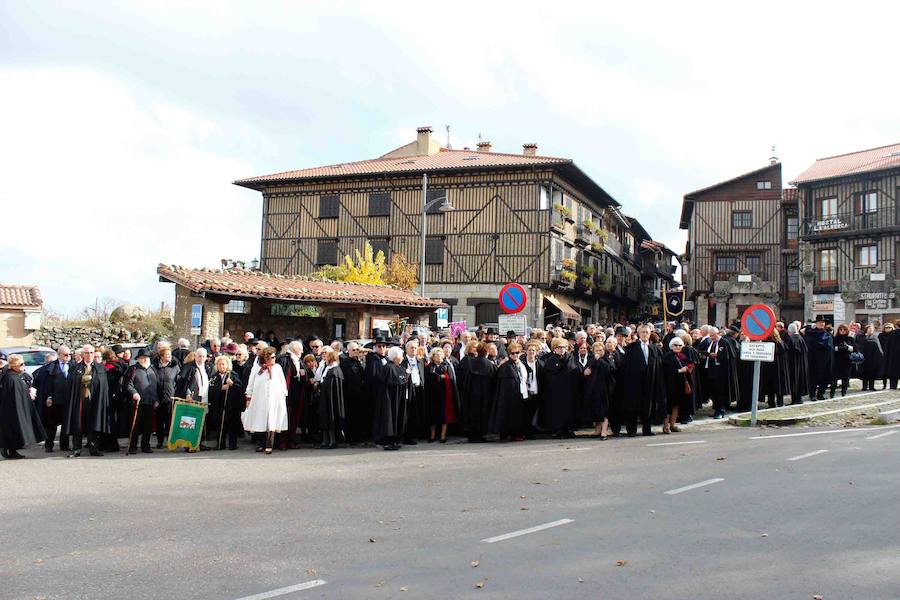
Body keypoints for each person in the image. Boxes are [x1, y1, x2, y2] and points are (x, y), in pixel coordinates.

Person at [63, 345, 111, 457]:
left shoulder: (100, 368)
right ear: (83, 354)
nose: (89, 355)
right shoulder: (75, 368)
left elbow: (103, 387)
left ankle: (93, 448)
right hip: (79, 401)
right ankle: (76, 448)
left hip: (94, 401)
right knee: (77, 424)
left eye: (91, 353)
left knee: (93, 424)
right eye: (87, 353)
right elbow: (70, 386)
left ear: (94, 354)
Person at [621, 324, 666, 435]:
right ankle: (631, 430)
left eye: (647, 332)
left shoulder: (655, 349)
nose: (645, 334)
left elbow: (659, 367)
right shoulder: (631, 348)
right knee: (633, 406)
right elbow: (626, 367)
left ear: (650, 334)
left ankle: (647, 429)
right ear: (638, 334)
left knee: (648, 406)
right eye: (643, 332)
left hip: (650, 382)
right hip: (634, 382)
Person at [243, 346, 288, 454]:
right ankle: (260, 443)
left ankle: (269, 444)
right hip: (260, 398)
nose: (274, 359)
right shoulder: (257, 368)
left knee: (271, 420)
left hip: (274, 398)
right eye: (271, 357)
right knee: (260, 420)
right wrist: (248, 395)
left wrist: (283, 394)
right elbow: (251, 382)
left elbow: (282, 382)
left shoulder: (277, 368)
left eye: (274, 357)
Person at [0, 355, 45, 459]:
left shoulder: (12, 376)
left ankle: (11, 450)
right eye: (21, 364)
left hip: (15, 410)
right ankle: (9, 450)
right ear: (15, 366)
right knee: (13, 430)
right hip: (13, 411)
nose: (23, 366)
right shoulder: (11, 378)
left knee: (13, 431)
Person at [539, 337, 579, 437]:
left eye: (564, 347)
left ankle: (568, 428)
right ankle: (558, 429)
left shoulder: (570, 358)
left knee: (569, 410)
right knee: (557, 410)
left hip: (568, 389)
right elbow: (548, 377)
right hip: (556, 391)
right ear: (554, 349)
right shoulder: (550, 360)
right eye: (559, 347)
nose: (562, 349)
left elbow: (573, 371)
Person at [37, 345, 74, 453]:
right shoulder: (51, 367)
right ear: (59, 355)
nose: (68, 357)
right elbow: (46, 385)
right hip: (54, 400)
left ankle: (64, 445)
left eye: (69, 355)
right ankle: (49, 445)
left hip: (68, 400)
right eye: (65, 355)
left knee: (66, 424)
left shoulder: (73, 366)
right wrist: (49, 396)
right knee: (51, 425)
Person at [459, 342, 497, 443]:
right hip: (486, 395)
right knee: (483, 414)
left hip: (472, 394)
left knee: (473, 414)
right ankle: (482, 435)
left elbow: (466, 379)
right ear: (486, 352)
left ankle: (473, 435)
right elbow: (494, 381)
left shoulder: (470, 363)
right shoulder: (490, 365)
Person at [489, 343, 527, 441]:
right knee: (505, 415)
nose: (515, 355)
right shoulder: (506, 366)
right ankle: (505, 434)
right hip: (507, 396)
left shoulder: (520, 364)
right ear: (509, 354)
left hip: (517, 394)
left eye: (517, 353)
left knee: (515, 415)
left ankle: (514, 434)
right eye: (512, 353)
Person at [124, 349, 160, 454]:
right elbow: (128, 385)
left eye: (146, 358)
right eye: (142, 358)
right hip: (137, 402)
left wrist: (156, 399)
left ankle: (146, 445)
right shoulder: (133, 369)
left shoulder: (152, 369)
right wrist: (134, 393)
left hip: (150, 401)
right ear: (138, 359)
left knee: (148, 425)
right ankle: (133, 446)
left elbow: (157, 385)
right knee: (135, 425)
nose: (144, 359)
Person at [374, 345, 409, 451]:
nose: (403, 358)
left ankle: (395, 440)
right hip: (389, 400)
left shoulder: (401, 368)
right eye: (401, 356)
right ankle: (388, 441)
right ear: (396, 357)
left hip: (399, 399)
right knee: (389, 419)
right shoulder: (388, 368)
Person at [424, 348, 460, 443]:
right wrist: (439, 377)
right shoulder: (429, 367)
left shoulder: (446, 366)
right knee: (432, 416)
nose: (439, 356)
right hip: (432, 394)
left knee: (444, 415)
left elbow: (450, 379)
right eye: (437, 355)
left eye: (440, 355)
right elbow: (427, 379)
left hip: (444, 395)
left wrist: (441, 378)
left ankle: (443, 435)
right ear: (433, 356)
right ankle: (432, 435)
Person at [207, 355, 243, 450]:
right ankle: (220, 444)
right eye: (219, 364)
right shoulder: (214, 377)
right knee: (220, 425)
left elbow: (240, 388)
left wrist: (232, 384)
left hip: (231, 405)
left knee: (232, 425)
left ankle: (232, 444)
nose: (221, 366)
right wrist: (220, 388)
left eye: (223, 364)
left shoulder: (233, 375)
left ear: (227, 365)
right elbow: (210, 390)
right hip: (219, 405)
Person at [661, 337, 695, 433]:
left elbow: (689, 363)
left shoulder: (682, 356)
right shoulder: (668, 356)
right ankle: (666, 426)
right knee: (669, 405)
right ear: (671, 346)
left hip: (680, 383)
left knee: (677, 405)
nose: (678, 347)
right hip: (670, 384)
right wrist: (679, 370)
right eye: (676, 345)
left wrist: (689, 367)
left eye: (680, 345)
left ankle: (673, 424)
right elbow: (666, 370)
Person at [277, 341, 306, 449]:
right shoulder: (284, 359)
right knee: (285, 417)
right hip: (286, 394)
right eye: (300, 349)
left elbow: (303, 375)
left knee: (294, 416)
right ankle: (282, 441)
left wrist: (304, 375)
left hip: (297, 393)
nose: (302, 351)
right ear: (295, 349)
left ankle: (291, 440)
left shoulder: (299, 361)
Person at [152, 343, 180, 448]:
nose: (169, 357)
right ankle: (159, 441)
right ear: (161, 356)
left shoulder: (175, 367)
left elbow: (178, 382)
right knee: (159, 421)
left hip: (170, 398)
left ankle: (170, 441)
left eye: (170, 355)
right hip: (158, 398)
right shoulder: (155, 367)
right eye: (167, 355)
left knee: (170, 421)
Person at [340, 342, 368, 444]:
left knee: (358, 416)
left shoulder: (359, 362)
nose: (356, 352)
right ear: (348, 351)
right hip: (349, 393)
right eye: (353, 350)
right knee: (350, 416)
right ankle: (350, 438)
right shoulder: (344, 362)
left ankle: (358, 436)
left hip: (359, 393)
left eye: (357, 350)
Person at [318, 348, 345, 449]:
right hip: (325, 398)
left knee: (331, 418)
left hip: (331, 400)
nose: (324, 355)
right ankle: (325, 440)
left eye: (326, 353)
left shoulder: (335, 370)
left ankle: (332, 440)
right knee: (325, 418)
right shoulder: (327, 368)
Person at [402, 339, 426, 443]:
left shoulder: (420, 361)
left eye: (415, 348)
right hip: (408, 390)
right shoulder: (403, 362)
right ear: (406, 349)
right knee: (409, 413)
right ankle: (408, 436)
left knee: (419, 411)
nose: (413, 350)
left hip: (419, 388)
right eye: (411, 348)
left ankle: (419, 433)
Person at [587, 343, 613, 440]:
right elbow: (587, 370)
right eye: (597, 351)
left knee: (604, 410)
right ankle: (598, 430)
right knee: (597, 409)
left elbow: (609, 369)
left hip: (605, 389)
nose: (599, 352)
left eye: (601, 350)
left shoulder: (606, 360)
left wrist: (598, 360)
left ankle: (604, 431)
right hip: (594, 389)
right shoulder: (592, 360)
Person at [804, 317, 834, 399]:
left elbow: (830, 346)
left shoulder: (828, 334)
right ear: (816, 323)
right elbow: (810, 346)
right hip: (814, 360)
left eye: (823, 322)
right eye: (820, 322)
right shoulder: (810, 334)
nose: (822, 324)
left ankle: (820, 394)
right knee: (813, 378)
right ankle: (812, 394)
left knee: (825, 378)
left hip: (826, 360)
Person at [522, 341, 543, 440]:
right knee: (524, 412)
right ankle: (525, 431)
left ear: (537, 352)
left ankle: (531, 431)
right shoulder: (521, 363)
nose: (531, 352)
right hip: (525, 392)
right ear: (526, 351)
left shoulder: (540, 364)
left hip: (536, 391)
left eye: (533, 350)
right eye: (529, 350)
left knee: (533, 412)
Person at [785, 322, 810, 405]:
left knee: (794, 381)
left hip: (793, 365)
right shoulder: (800, 338)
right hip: (801, 364)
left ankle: (795, 399)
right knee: (799, 380)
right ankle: (798, 398)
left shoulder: (791, 339)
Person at [831, 324, 854, 397]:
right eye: (841, 329)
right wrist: (838, 348)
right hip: (837, 360)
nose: (842, 331)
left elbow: (855, 348)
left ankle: (844, 391)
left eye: (844, 329)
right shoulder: (835, 338)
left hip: (847, 360)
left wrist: (847, 347)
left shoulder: (850, 338)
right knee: (834, 378)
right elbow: (832, 348)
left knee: (845, 378)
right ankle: (832, 392)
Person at [859, 324, 884, 391]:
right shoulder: (862, 337)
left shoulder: (875, 337)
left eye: (872, 329)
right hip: (864, 356)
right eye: (869, 329)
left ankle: (871, 386)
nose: (870, 330)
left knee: (872, 372)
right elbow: (859, 345)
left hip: (873, 356)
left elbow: (878, 346)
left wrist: (880, 354)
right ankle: (864, 386)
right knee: (864, 372)